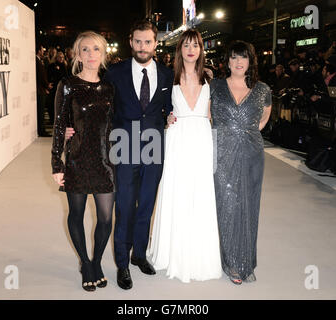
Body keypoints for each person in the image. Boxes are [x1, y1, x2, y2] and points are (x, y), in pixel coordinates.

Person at [66, 20, 174, 290]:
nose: (142, 46)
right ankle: (122, 264)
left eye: (147, 41)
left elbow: (171, 106)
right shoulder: (115, 72)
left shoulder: (167, 74)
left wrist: (172, 116)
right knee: (124, 207)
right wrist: (72, 127)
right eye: (137, 41)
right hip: (123, 146)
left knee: (146, 204)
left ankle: (139, 254)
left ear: (155, 43)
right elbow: (93, 102)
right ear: (130, 41)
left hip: (154, 146)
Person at [148, 29, 222, 283]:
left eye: (196, 45)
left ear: (202, 50)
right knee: (176, 190)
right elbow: (155, 108)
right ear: (179, 49)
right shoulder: (169, 77)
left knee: (199, 192)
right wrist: (164, 117)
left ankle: (199, 254)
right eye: (186, 45)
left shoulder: (211, 79)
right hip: (177, 138)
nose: (191, 49)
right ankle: (171, 253)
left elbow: (214, 114)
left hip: (201, 138)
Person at [51, 31, 115, 292]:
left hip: (104, 161)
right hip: (77, 158)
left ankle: (97, 260)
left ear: (103, 54)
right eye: (85, 49)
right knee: (76, 215)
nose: (91, 55)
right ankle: (85, 264)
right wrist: (57, 164)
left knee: (106, 218)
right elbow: (58, 125)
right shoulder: (68, 85)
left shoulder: (110, 88)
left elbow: (115, 124)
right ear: (77, 54)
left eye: (96, 49)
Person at [209, 40, 272, 284]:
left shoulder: (262, 89)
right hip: (221, 153)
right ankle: (231, 263)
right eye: (234, 57)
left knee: (248, 205)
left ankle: (246, 261)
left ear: (250, 61)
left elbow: (263, 119)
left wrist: (243, 132)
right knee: (226, 204)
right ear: (227, 61)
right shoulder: (214, 86)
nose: (238, 62)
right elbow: (206, 116)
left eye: (243, 58)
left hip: (251, 153)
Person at [47, 51, 68, 125]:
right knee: (52, 104)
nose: (61, 59)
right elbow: (49, 75)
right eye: (60, 57)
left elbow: (66, 76)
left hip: (62, 88)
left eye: (62, 57)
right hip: (54, 87)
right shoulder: (52, 65)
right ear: (56, 58)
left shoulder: (64, 65)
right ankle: (52, 119)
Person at [36, 44, 53, 137]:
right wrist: (47, 85)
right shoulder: (37, 61)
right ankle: (41, 130)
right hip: (40, 90)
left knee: (41, 111)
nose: (43, 51)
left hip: (41, 89)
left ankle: (42, 129)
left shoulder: (39, 61)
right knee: (40, 112)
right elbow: (41, 76)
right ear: (39, 51)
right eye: (42, 50)